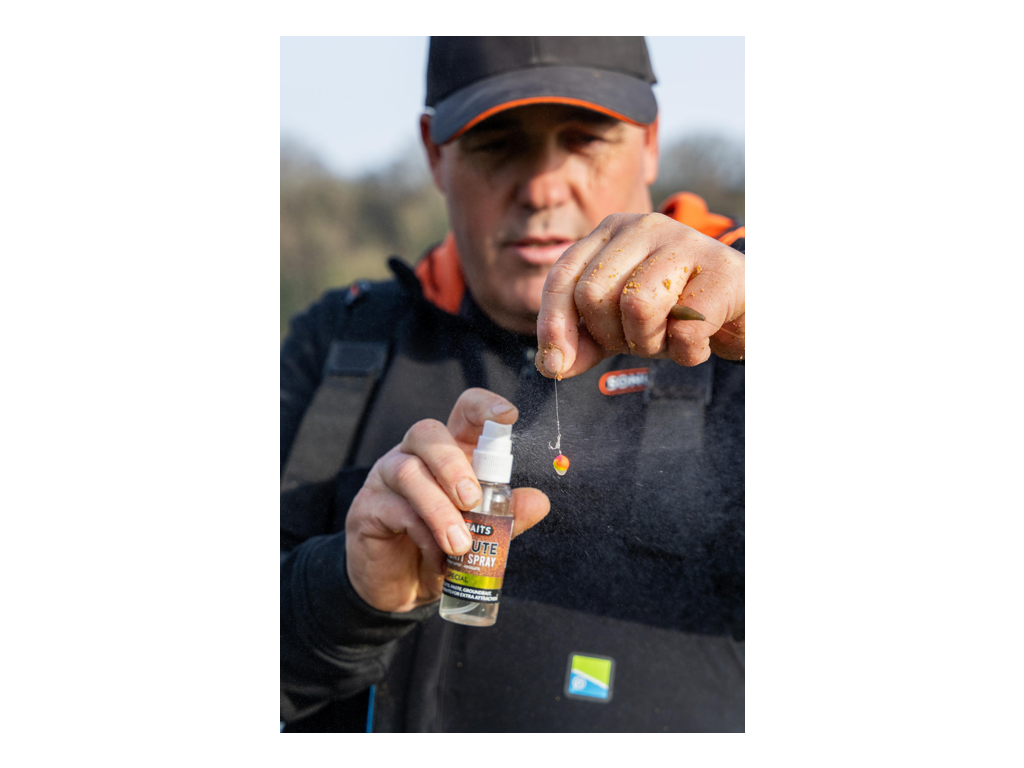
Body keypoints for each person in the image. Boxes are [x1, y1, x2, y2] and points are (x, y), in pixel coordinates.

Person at [280, 36, 745, 733]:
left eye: (584, 139)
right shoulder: (342, 342)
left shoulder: (734, 328)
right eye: (497, 144)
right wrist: (346, 593)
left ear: (649, 143)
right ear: (434, 154)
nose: (542, 189)